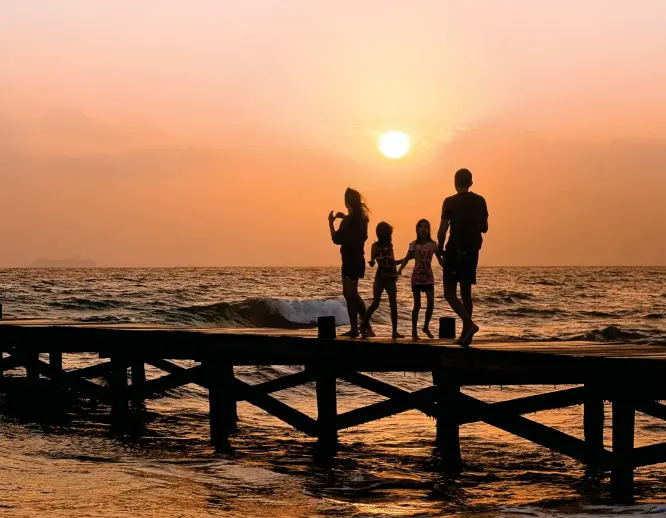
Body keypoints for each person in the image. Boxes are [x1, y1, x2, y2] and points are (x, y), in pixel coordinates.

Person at [437, 168, 489, 346]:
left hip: (454, 250)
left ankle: (468, 324)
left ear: (454, 182)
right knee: (466, 292)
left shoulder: (449, 202)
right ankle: (467, 334)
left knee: (449, 293)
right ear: (471, 183)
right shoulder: (480, 201)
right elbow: (485, 228)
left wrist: (440, 249)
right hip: (472, 250)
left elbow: (442, 230)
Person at [329, 187, 374, 338]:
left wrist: (331, 223)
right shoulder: (362, 219)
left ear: (347, 202)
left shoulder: (350, 221)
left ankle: (361, 327)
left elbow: (336, 239)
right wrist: (344, 218)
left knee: (351, 294)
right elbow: (357, 234)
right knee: (349, 294)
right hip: (357, 259)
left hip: (350, 260)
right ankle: (361, 326)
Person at [397, 219, 443, 340]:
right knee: (417, 305)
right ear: (417, 230)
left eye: (426, 227)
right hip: (416, 278)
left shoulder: (433, 245)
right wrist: (399, 270)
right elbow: (407, 258)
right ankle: (414, 332)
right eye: (421, 227)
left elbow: (441, 260)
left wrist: (449, 268)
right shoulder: (413, 244)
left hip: (428, 278)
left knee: (431, 304)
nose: (423, 229)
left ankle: (426, 326)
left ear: (429, 230)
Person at [362, 222, 403, 339]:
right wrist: (372, 261)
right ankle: (364, 325)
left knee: (393, 304)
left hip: (390, 278)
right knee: (375, 303)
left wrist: (404, 260)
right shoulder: (375, 246)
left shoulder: (390, 246)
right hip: (380, 278)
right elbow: (372, 260)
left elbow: (392, 262)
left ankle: (395, 332)